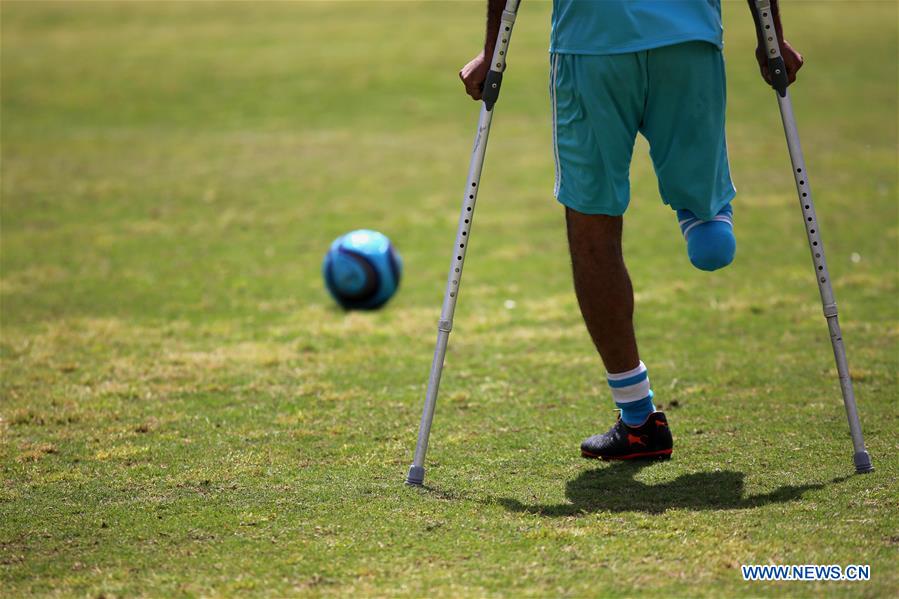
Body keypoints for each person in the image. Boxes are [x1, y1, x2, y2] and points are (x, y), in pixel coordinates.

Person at [459, 0, 803, 460]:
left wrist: (491, 49)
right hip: (689, 38)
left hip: (592, 44)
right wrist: (770, 36)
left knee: (591, 220)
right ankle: (705, 216)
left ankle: (639, 419)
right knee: (703, 198)